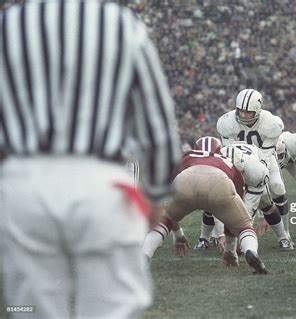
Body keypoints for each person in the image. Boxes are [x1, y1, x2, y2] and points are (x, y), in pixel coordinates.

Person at [0, 1, 181, 318]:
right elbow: (157, 126)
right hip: (102, 183)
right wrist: (155, 195)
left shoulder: (7, 26)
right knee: (112, 309)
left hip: (21, 181)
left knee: (28, 309)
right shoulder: (123, 26)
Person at [142, 137, 268, 274]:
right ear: (219, 151)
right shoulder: (227, 162)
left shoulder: (186, 156)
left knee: (164, 221)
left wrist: (178, 235)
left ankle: (144, 255)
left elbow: (167, 196)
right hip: (220, 181)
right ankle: (251, 251)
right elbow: (233, 215)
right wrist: (230, 251)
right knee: (244, 227)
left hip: (186, 179)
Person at [217, 89, 292, 239]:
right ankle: (216, 234)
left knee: (278, 188)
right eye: (241, 111)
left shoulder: (272, 123)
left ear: (257, 110)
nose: (243, 115)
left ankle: (286, 233)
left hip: (265, 156)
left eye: (248, 112)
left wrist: (259, 169)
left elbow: (267, 151)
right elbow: (230, 151)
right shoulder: (226, 122)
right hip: (239, 159)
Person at [194, 142, 294, 250]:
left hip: (253, 177)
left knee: (267, 205)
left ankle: (283, 238)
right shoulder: (215, 170)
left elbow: (248, 210)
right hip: (225, 176)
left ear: (242, 167)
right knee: (210, 205)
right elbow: (216, 205)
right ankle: (204, 239)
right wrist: (221, 235)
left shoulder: (257, 172)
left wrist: (241, 236)